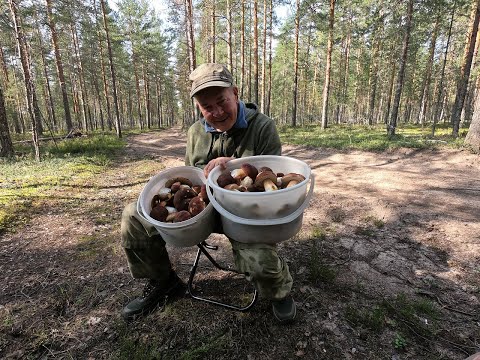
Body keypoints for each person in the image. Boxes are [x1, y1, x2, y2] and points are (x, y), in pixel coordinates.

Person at [120, 63, 296, 323]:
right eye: (207, 107)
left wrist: (233, 163)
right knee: (133, 215)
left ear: (235, 93)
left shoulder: (262, 127)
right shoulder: (195, 132)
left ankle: (278, 291)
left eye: (222, 101)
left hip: (245, 212)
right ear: (199, 108)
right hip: (202, 210)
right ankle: (163, 282)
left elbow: (273, 177)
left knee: (261, 262)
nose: (217, 111)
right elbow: (192, 177)